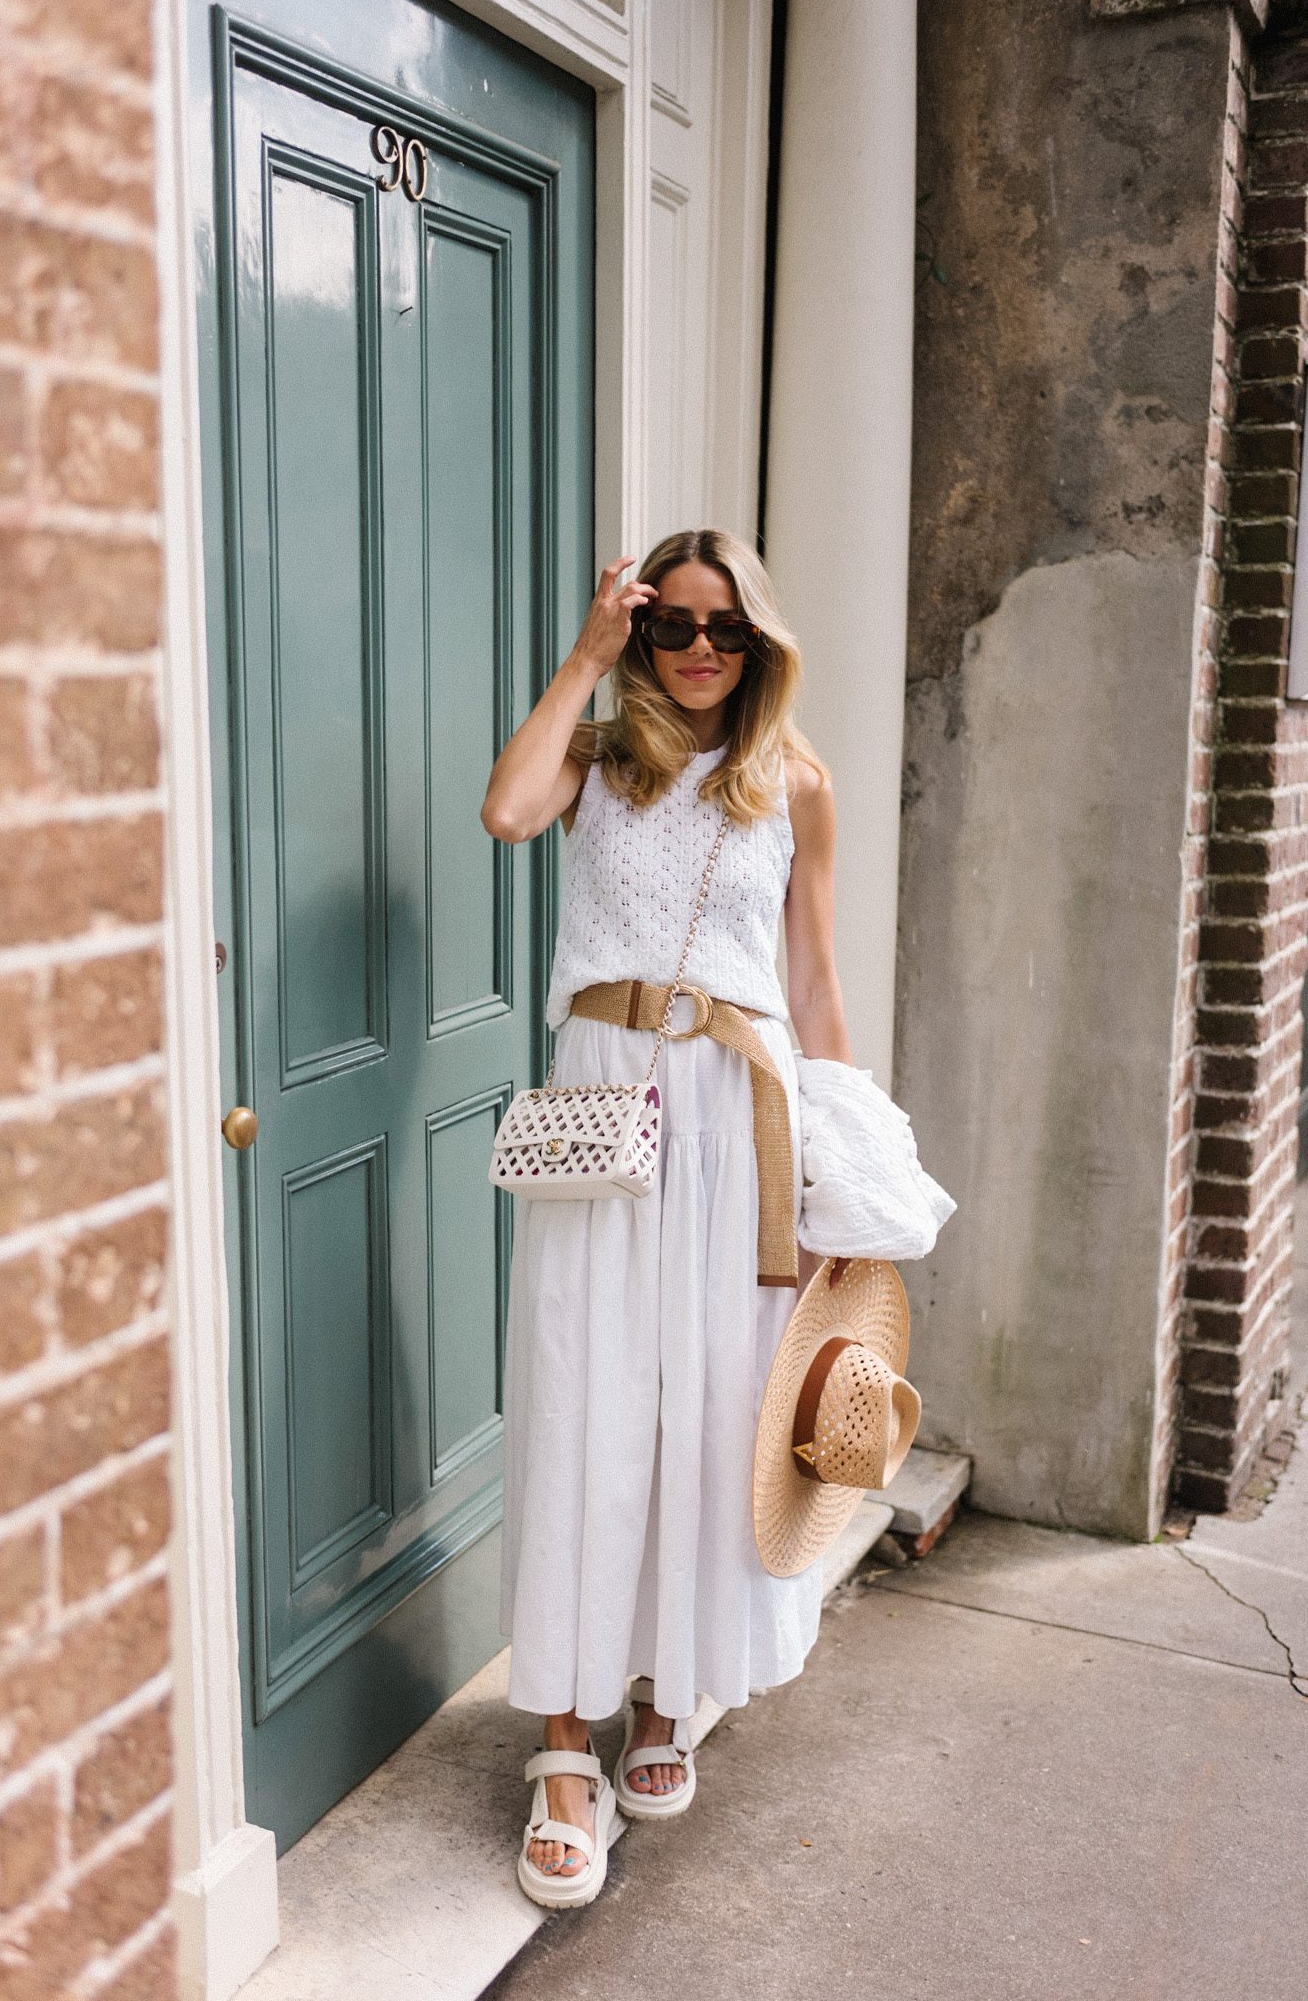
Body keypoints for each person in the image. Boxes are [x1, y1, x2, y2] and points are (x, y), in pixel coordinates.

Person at [481, 528, 866, 1908]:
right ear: (641, 634)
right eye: (672, 626)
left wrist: (835, 1168)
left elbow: (814, 992)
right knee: (587, 1402)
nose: (699, 650)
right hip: (603, 1109)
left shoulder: (798, 786)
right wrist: (585, 658)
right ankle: (565, 1745)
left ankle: (664, 1697)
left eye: (725, 630)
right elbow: (507, 812)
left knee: (709, 1413)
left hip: (738, 1124)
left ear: (760, 643)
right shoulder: (598, 757)